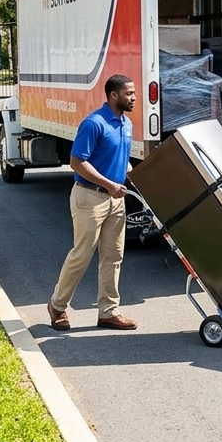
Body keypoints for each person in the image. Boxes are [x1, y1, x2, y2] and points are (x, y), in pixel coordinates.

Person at [47, 74, 139, 331]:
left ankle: (108, 312)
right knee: (82, 254)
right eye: (129, 93)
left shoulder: (126, 124)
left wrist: (132, 176)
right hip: (89, 197)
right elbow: (77, 162)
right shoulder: (94, 123)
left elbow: (121, 158)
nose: (133, 98)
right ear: (113, 95)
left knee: (113, 256)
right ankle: (57, 306)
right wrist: (109, 184)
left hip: (115, 200)